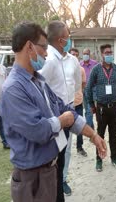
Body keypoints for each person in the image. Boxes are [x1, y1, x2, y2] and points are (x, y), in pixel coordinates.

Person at [0, 21, 106, 202]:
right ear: (29, 46)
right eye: (43, 47)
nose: (46, 53)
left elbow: (65, 110)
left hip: (49, 170)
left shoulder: (38, 81)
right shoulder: (14, 88)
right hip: (32, 178)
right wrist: (61, 121)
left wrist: (93, 136)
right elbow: (37, 130)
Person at [39, 20, 81, 199]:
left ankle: (60, 186)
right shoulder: (47, 62)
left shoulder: (73, 60)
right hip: (54, 117)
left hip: (69, 110)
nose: (70, 39)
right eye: (68, 36)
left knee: (64, 155)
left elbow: (77, 84)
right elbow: (38, 90)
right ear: (59, 39)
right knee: (53, 160)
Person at [86, 44, 116, 172]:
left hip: (113, 107)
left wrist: (115, 95)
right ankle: (99, 159)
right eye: (107, 53)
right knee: (100, 134)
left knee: (113, 134)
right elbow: (89, 87)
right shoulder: (96, 70)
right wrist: (91, 104)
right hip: (101, 108)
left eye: (110, 52)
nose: (109, 55)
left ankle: (114, 158)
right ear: (102, 54)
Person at [70, 48, 88, 157]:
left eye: (77, 55)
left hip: (78, 102)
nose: (75, 57)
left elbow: (83, 84)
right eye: (73, 54)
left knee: (80, 126)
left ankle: (79, 147)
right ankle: (63, 148)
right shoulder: (64, 68)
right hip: (67, 104)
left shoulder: (81, 70)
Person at [80, 48, 98, 130]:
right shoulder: (79, 64)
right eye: (84, 54)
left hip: (92, 89)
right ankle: (92, 128)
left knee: (89, 109)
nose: (85, 55)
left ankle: (90, 131)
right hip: (83, 89)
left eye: (86, 54)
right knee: (86, 110)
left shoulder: (95, 64)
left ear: (89, 54)